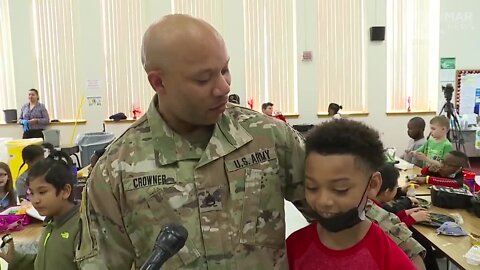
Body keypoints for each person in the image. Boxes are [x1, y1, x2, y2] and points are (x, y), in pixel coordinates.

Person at [75, 14, 309, 269]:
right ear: (158, 82)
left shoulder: (269, 137)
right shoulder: (116, 170)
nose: (223, 87)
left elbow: (344, 222)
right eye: (203, 79)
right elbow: (100, 263)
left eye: (225, 70)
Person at [286, 119, 415, 269]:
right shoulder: (294, 248)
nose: (323, 201)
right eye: (312, 187)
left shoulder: (386, 257)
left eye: (340, 189)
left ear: (373, 184)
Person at [0, 151, 80, 270]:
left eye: (42, 192)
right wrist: (15, 259)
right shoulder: (51, 223)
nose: (35, 200)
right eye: (31, 193)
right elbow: (44, 262)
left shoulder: (83, 228)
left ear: (65, 191)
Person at [374, 165, 439, 270]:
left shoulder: (373, 203)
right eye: (396, 187)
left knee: (420, 239)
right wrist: (411, 219)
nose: (398, 189)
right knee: (420, 240)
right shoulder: (375, 208)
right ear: (386, 191)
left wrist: (405, 213)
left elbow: (388, 219)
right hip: (387, 252)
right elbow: (389, 231)